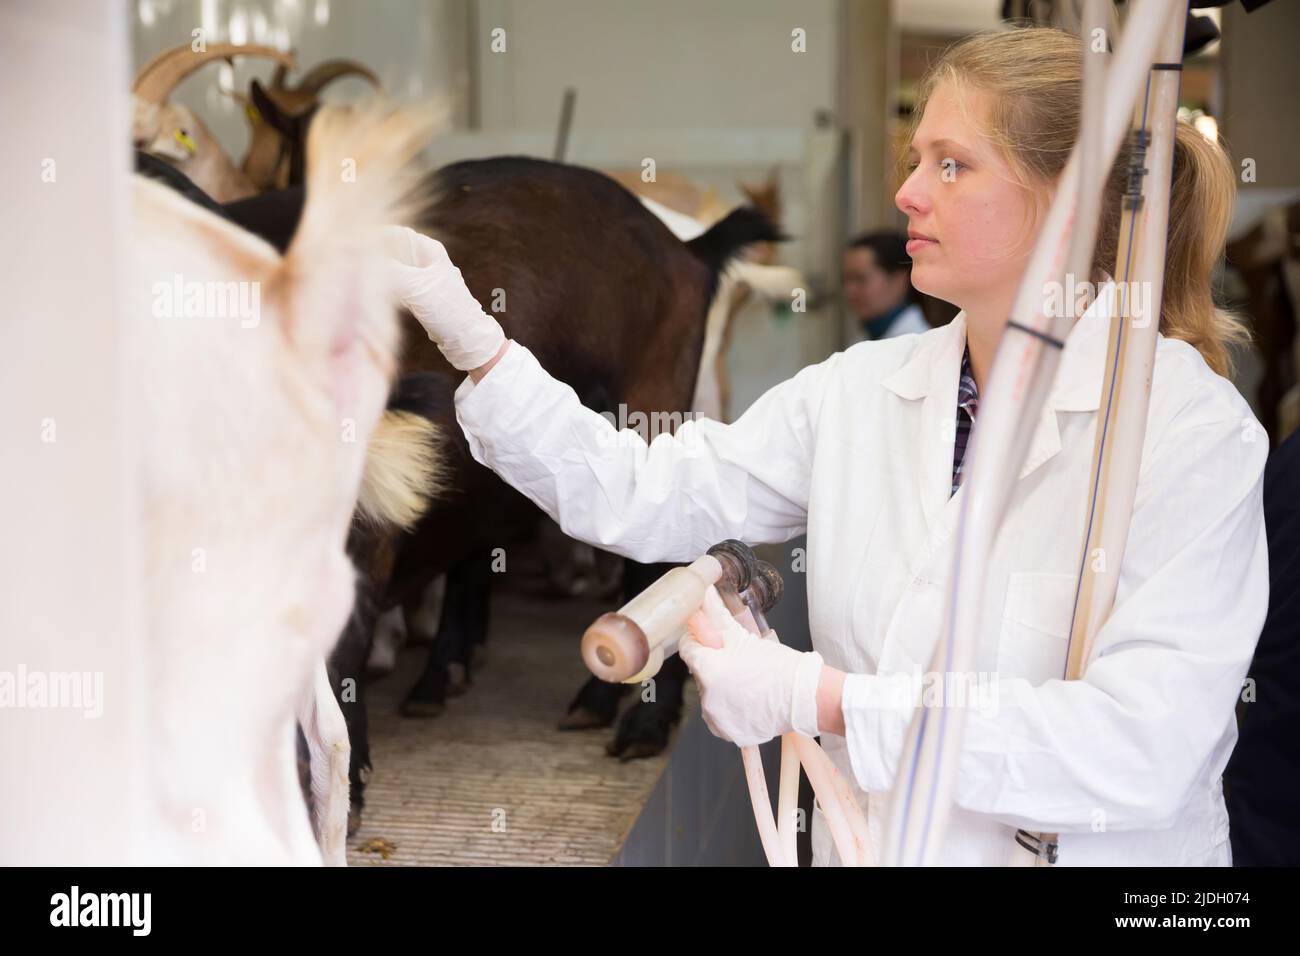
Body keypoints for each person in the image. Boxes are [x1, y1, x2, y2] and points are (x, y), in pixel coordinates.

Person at [383, 27, 1267, 866]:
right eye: (915, 160)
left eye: (952, 166)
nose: (907, 194)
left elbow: (1138, 748)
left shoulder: (1189, 434)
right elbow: (645, 492)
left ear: (1066, 210)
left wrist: (818, 697)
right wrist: (478, 345)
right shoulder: (860, 390)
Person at [843, 230, 930, 340]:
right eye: (847, 280)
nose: (850, 290)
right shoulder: (867, 335)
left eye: (860, 279)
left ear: (899, 281)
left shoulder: (917, 340)